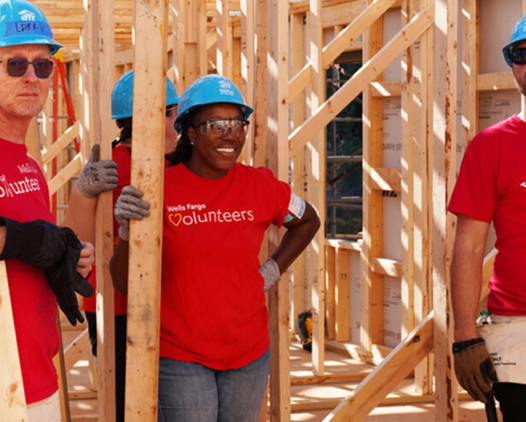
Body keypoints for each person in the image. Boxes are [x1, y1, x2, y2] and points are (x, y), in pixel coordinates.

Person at [110, 74, 320, 422]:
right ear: (189, 133)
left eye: (238, 124)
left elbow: (308, 220)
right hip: (180, 357)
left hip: (249, 355)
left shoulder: (260, 185)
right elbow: (122, 283)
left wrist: (271, 270)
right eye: (215, 124)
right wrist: (126, 232)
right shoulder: (159, 188)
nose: (230, 135)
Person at [450, 8, 526, 422]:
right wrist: (464, 338)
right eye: (521, 54)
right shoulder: (491, 147)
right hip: (520, 331)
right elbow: (467, 246)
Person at [64, 70, 180, 422]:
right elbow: (74, 241)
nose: (179, 125)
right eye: (174, 114)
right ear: (151, 117)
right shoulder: (124, 168)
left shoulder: (164, 164)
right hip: (119, 306)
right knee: (130, 404)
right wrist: (84, 192)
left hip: (145, 304)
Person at [0, 1, 95, 421]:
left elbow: (36, 253)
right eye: (15, 63)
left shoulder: (27, 165)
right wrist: (31, 240)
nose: (30, 76)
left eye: (43, 66)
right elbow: (25, 240)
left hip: (36, 380)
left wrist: (66, 255)